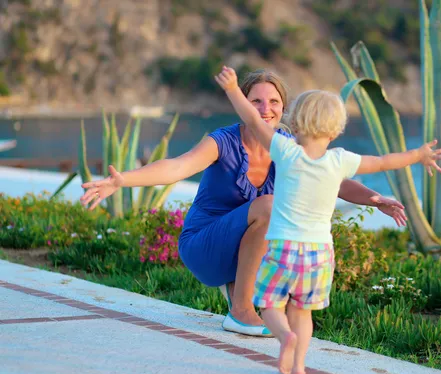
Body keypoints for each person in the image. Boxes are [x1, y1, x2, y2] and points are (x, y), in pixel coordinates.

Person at [79, 68, 409, 337]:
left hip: (249, 245)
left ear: (285, 108)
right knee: (268, 206)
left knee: (285, 223)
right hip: (204, 244)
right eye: (256, 101)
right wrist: (121, 180)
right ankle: (239, 311)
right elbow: (178, 167)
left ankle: (245, 291)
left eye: (274, 101)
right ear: (244, 105)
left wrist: (375, 200)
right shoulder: (223, 141)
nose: (266, 109)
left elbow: (334, 178)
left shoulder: (287, 146)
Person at [214, 66, 441, 374]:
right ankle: (298, 364)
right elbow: (382, 162)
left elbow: (253, 120)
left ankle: (284, 337)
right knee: (302, 311)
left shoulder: (285, 151)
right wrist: (417, 155)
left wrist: (232, 88)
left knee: (271, 304)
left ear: (294, 123)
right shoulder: (340, 160)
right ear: (336, 130)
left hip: (284, 247)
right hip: (320, 254)